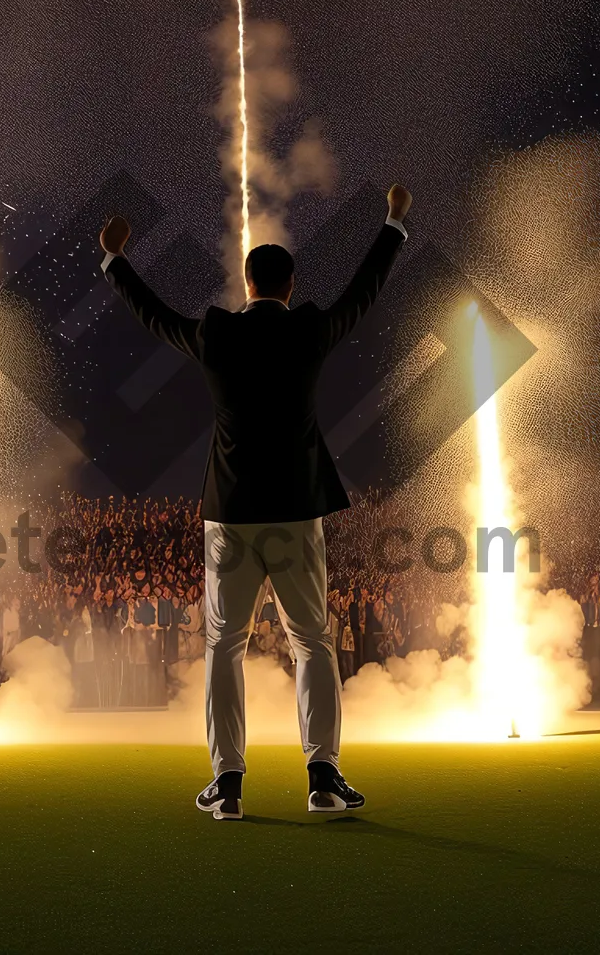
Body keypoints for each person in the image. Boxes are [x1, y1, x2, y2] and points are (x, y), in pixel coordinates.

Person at [100, 183, 411, 819]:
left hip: (232, 511)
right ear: (290, 284)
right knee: (313, 643)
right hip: (297, 508)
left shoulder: (216, 334)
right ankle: (322, 777)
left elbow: (154, 316)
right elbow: (364, 291)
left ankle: (229, 785)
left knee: (224, 646)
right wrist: (392, 224)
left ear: (246, 283)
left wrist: (115, 262)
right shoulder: (308, 331)